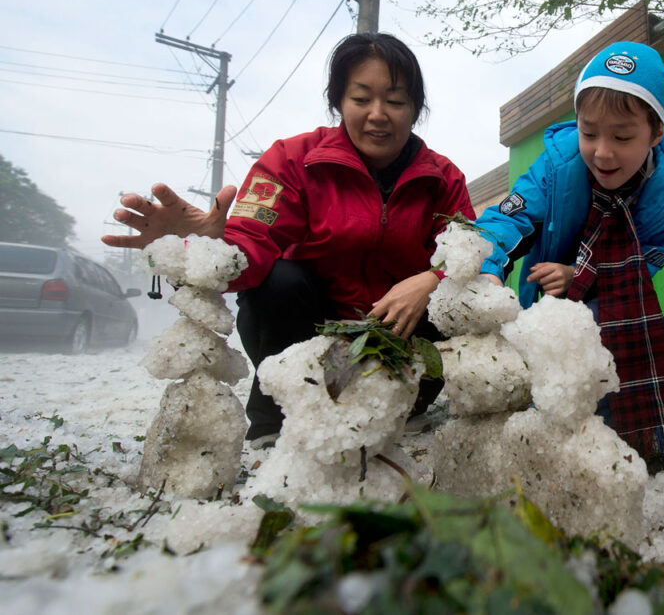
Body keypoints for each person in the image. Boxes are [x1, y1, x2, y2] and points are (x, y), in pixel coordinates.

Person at [102, 32, 475, 447]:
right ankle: (279, 417)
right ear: (338, 102)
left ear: (415, 109)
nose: (377, 114)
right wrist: (207, 248)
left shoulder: (443, 177)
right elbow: (250, 249)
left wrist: (430, 279)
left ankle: (406, 407)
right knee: (280, 278)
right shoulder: (293, 162)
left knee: (462, 296)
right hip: (310, 338)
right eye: (361, 98)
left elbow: (467, 254)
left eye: (395, 100)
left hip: (401, 339)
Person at [475, 41, 664, 463]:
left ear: (655, 133)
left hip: (616, 309)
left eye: (622, 136)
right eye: (589, 132)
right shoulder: (557, 169)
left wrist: (579, 274)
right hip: (546, 315)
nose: (602, 151)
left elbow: (643, 273)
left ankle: (646, 434)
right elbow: (506, 219)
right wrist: (487, 270)